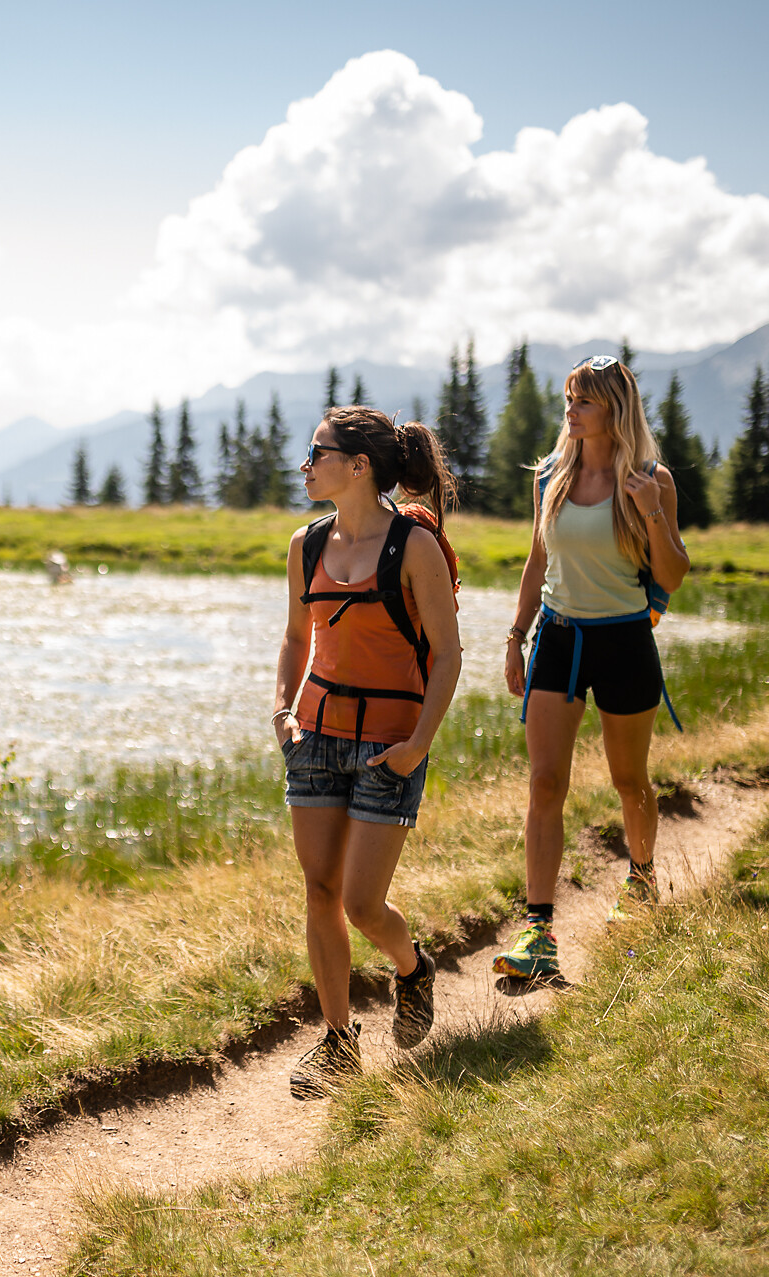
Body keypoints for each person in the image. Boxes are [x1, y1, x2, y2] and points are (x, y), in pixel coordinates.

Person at [273, 406, 463, 1098]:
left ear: (358, 466)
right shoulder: (306, 543)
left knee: (361, 903)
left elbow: (447, 655)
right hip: (316, 736)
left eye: (317, 452)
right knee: (319, 890)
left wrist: (419, 745)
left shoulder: (414, 546)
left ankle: (412, 968)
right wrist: (282, 710)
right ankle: (337, 1041)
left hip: (391, 746)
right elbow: (297, 638)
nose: (306, 464)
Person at [496, 355, 690, 982]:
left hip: (626, 640)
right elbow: (536, 559)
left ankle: (639, 882)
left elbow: (672, 576)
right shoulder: (552, 472)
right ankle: (539, 931)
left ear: (614, 408)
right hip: (558, 637)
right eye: (569, 400)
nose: (570, 411)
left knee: (629, 779)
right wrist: (514, 635)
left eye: (582, 401)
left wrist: (652, 511)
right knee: (546, 783)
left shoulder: (652, 479)